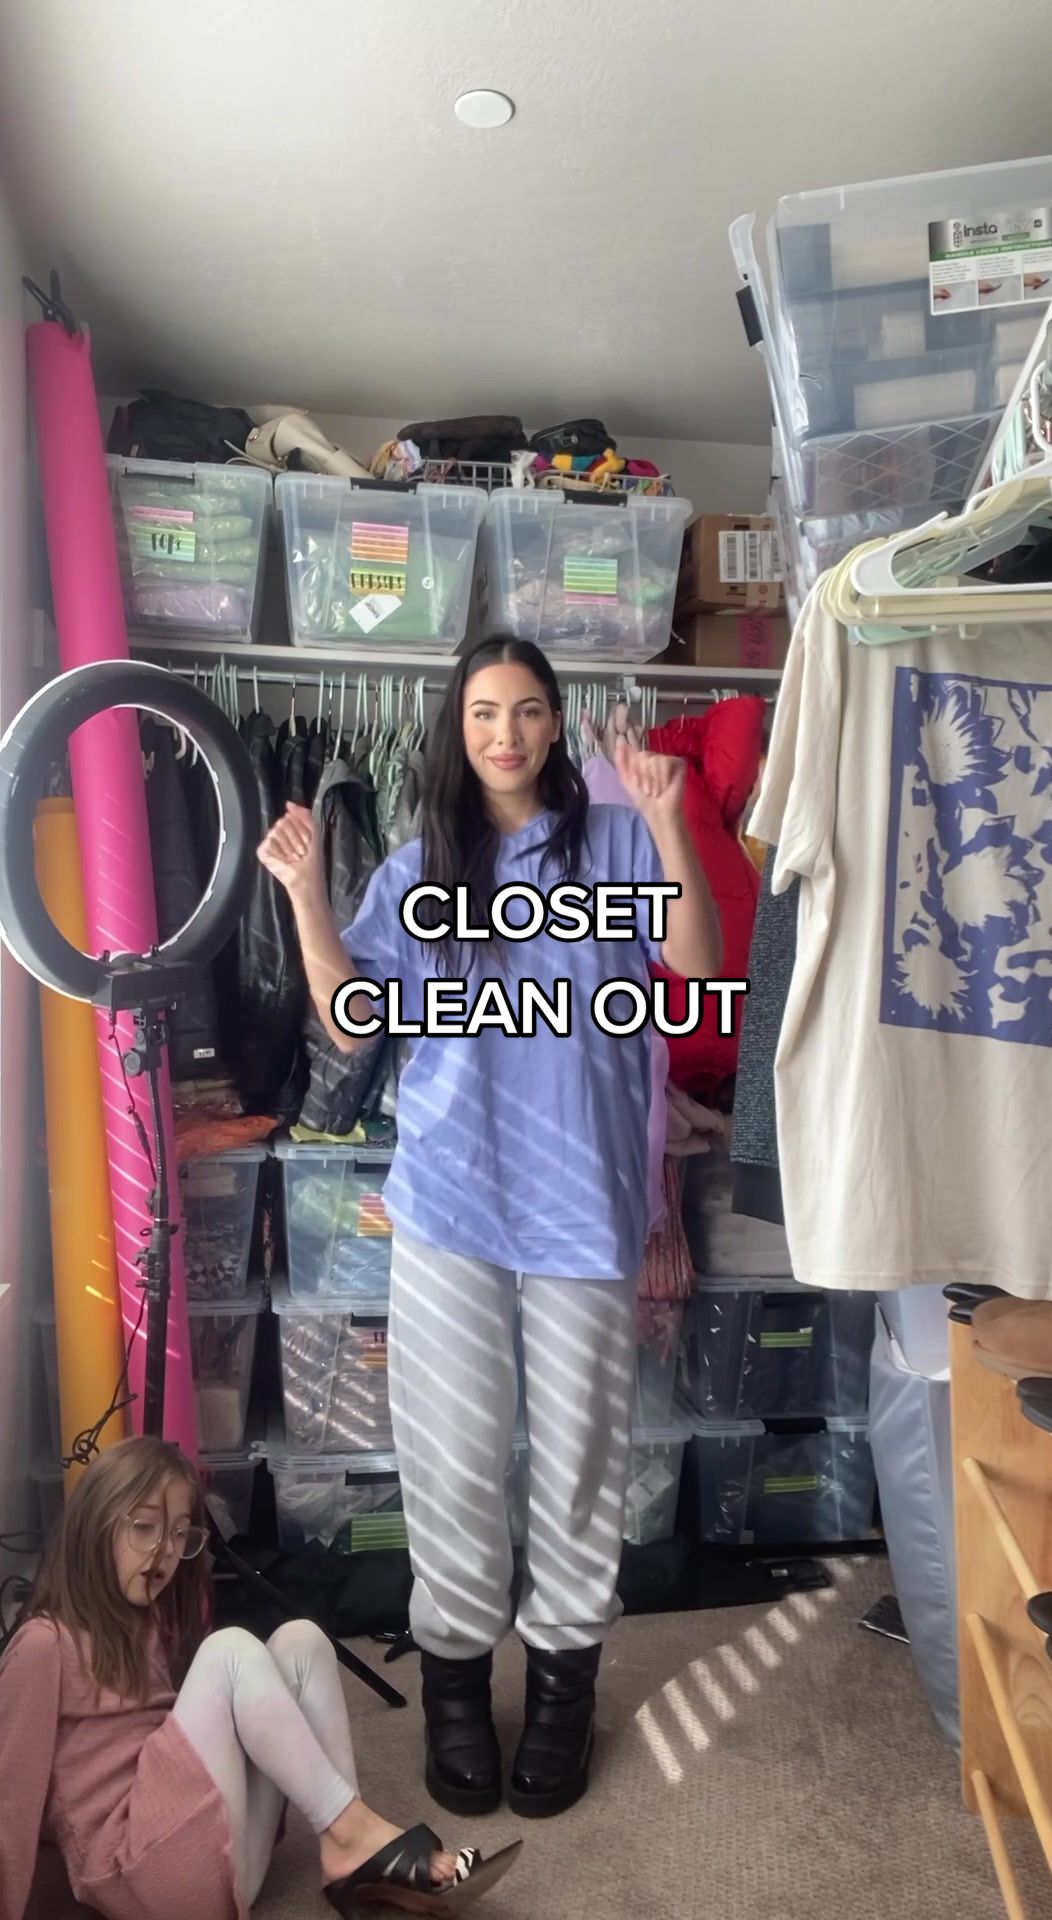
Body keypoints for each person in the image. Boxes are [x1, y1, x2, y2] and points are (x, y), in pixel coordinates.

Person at [257, 634, 721, 1822]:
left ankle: (564, 1693)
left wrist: (669, 822)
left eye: (524, 711)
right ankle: (457, 1692)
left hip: (583, 1210)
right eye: (482, 713)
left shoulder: (614, 842)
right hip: (454, 1207)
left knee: (578, 1463)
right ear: (456, 732)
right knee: (454, 1463)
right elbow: (351, 1022)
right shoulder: (420, 868)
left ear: (554, 723)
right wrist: (306, 895)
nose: (504, 734)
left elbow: (695, 965)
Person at [0, 1436, 519, 1919]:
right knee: (229, 1650)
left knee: (302, 1641)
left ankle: (349, 1855)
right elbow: (10, 1797)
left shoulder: (148, 1620)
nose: (165, 1552)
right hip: (137, 1875)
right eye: (144, 1527)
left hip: (221, 1867)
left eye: (180, 1533)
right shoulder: (45, 1642)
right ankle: (354, 1830)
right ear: (94, 1525)